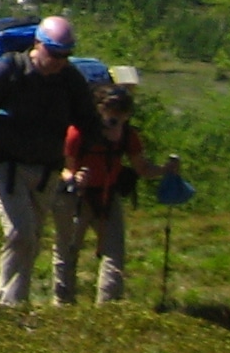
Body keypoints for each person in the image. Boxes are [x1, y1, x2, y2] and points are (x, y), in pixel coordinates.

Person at [0, 14, 103, 307]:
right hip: (5, 166)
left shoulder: (69, 79)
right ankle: (10, 308)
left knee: (31, 238)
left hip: (47, 170)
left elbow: (90, 124)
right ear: (38, 44)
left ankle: (14, 304)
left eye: (66, 54)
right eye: (55, 53)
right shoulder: (7, 70)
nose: (60, 60)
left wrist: (80, 163)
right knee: (20, 232)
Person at [58, 86, 171, 304]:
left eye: (121, 117)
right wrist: (73, 177)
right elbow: (63, 169)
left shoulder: (129, 136)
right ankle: (63, 305)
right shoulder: (78, 133)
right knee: (68, 251)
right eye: (112, 116)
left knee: (114, 252)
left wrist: (166, 170)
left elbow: (142, 169)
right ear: (99, 111)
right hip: (76, 198)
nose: (115, 122)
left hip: (108, 198)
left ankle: (108, 306)